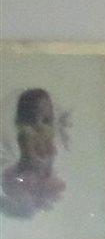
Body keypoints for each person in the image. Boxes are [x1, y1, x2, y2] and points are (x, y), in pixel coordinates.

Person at [2, 85, 66, 218]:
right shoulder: (25, 134)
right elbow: (29, 158)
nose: (39, 125)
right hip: (23, 175)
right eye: (30, 120)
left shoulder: (49, 135)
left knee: (50, 197)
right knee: (25, 204)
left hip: (43, 176)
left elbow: (50, 155)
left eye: (46, 120)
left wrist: (47, 162)